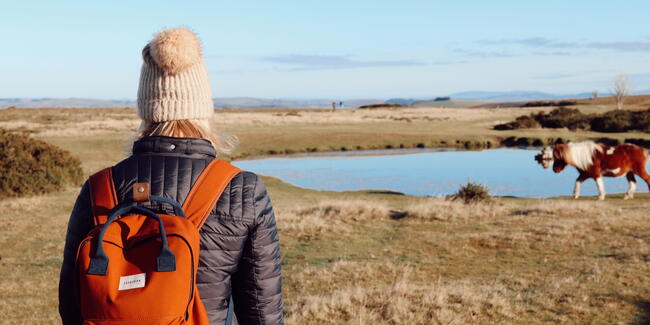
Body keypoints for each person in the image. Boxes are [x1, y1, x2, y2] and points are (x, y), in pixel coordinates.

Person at [58, 27, 284, 324]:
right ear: (203, 106)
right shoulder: (241, 189)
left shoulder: (99, 188)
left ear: (146, 107)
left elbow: (72, 302)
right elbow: (261, 311)